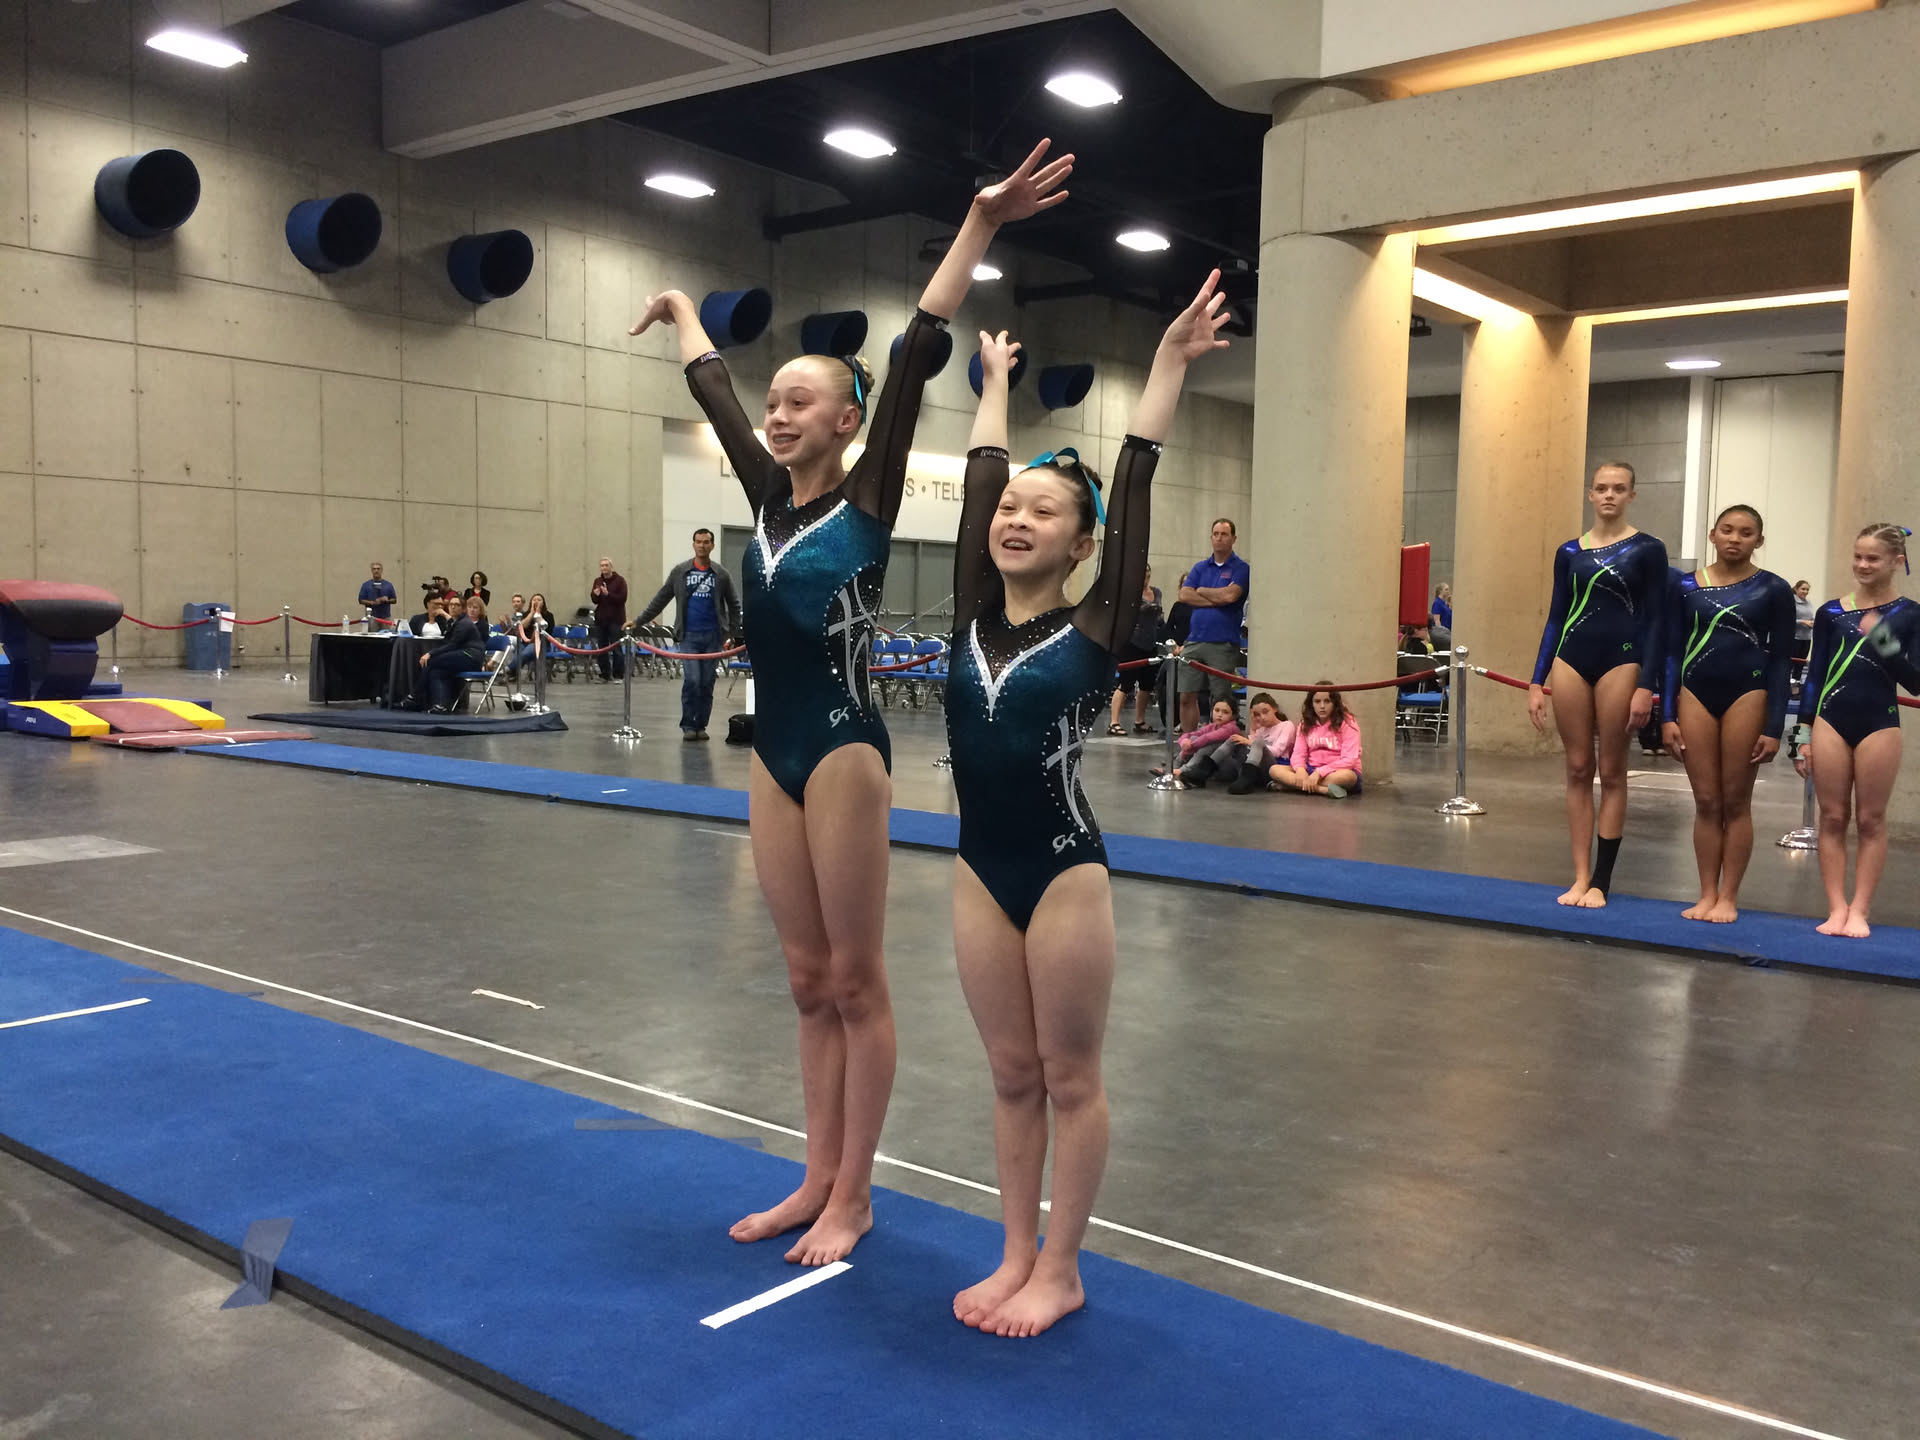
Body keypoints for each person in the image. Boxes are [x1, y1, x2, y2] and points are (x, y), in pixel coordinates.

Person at [629, 137, 1072, 1267]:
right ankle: (815, 1175)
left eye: (800, 401)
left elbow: (919, 346)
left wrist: (980, 221)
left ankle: (856, 1195)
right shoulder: (764, 501)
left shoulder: (868, 502)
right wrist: (682, 313)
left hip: (841, 750)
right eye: (774, 401)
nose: (777, 416)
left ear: (846, 423)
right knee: (805, 979)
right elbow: (710, 385)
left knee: (858, 979)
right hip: (771, 751)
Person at [944, 272, 1227, 1338]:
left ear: (1082, 544)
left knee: (1069, 1076)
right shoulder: (971, 611)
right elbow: (980, 475)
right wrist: (993, 385)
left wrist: (1166, 364)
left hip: (1063, 871)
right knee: (1010, 1074)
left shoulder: (1098, 626)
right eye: (1010, 510)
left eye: (1043, 511)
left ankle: (1061, 1268)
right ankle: (1015, 1253)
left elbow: (1136, 476)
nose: (1015, 519)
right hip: (978, 871)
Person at [1526, 461, 1667, 908]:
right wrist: (1536, 680)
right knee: (1576, 767)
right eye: (1602, 488)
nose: (1609, 495)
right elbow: (1556, 617)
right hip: (1571, 658)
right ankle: (1580, 875)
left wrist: (1646, 684)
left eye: (1618, 488)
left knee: (1612, 770)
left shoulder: (1648, 549)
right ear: (1590, 494)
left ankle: (1601, 880)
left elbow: (1656, 621)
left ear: (1631, 495)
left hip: (1621, 661)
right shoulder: (1569, 552)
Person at [1659, 506, 1797, 924]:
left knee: (1736, 801)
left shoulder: (1774, 589)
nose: (1735, 538)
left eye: (1746, 532)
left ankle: (1729, 896)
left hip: (1747, 694)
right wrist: (1667, 715)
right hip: (1696, 694)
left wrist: (1774, 726)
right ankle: (1706, 893)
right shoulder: (1685, 587)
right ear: (1712, 534)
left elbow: (1780, 661)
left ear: (1759, 540)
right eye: (1728, 530)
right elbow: (1672, 652)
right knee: (1705, 800)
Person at [1795, 523, 1920, 939]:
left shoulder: (1911, 614)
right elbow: (1814, 676)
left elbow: (1915, 681)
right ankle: (1836, 906)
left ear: (1896, 562)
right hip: (1831, 719)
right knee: (1832, 816)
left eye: (1873, 558)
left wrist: (1882, 639)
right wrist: (1801, 735)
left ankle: (1860, 908)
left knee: (1870, 819)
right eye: (1858, 557)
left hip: (1879, 721)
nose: (1863, 565)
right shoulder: (1831, 613)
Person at [634, 528, 744, 741]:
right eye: (698, 542)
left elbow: (734, 604)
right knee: (693, 680)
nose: (702, 545)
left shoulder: (721, 574)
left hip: (713, 636)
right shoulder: (680, 572)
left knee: (707, 682)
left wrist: (732, 632)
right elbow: (661, 598)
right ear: (693, 544)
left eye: (706, 542)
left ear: (712, 545)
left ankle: (701, 725)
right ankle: (688, 724)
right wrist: (639, 621)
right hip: (689, 636)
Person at [1176, 519, 1249, 733]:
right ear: (1211, 538)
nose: (1219, 538)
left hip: (1222, 642)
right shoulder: (1200, 567)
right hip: (1195, 639)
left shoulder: (1241, 568)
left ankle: (1218, 742)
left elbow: (1230, 596)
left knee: (1221, 699)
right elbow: (1184, 595)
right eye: (1215, 534)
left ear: (1233, 539)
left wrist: (1201, 591)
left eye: (1224, 534)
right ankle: (1188, 741)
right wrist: (1217, 599)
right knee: (1186, 695)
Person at [1178, 692, 1294, 793]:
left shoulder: (1286, 725)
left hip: (1273, 768)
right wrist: (1253, 729)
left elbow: (1277, 751)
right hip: (1254, 768)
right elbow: (1251, 751)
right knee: (1234, 739)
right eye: (1257, 714)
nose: (1262, 717)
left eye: (1265, 712)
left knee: (1257, 743)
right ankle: (1203, 771)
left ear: (1274, 709)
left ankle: (1247, 779)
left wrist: (1249, 741)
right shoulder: (1261, 728)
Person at [1270, 684, 1362, 797]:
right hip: (1312, 769)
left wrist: (1320, 772)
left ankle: (1297, 786)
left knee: (1348, 777)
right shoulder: (1305, 724)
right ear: (1311, 704)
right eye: (1317, 701)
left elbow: (1349, 760)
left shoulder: (1347, 722)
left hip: (1338, 771)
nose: (1322, 706)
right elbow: (1298, 754)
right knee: (1274, 770)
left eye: (1327, 701)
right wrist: (1300, 769)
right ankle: (1322, 790)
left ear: (1335, 703)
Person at [1107, 566, 1163, 735]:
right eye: (1142, 572)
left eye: (1147, 572)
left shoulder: (1156, 592)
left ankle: (1140, 720)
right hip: (1132, 643)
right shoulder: (1129, 593)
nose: (1145, 575)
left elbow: (1159, 616)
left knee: (1146, 685)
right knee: (1126, 683)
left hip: (1150, 642)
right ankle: (1114, 722)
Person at [409, 594, 488, 712]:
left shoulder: (464, 624)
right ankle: (441, 705)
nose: (453, 607)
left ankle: (414, 697)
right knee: (437, 672)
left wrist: (430, 653)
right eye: (451, 604)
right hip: (464, 655)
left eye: (457, 605)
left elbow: (452, 645)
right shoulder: (457, 622)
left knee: (431, 661)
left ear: (463, 609)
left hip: (471, 657)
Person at [1152, 698, 1238, 786]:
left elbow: (1208, 738)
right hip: (1213, 769)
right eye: (1217, 710)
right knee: (1193, 738)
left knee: (1211, 744)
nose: (1219, 715)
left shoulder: (1231, 728)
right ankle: (1174, 768)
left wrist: (1191, 745)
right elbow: (1189, 735)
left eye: (1225, 712)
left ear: (1233, 716)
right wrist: (1185, 742)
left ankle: (1182, 770)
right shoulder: (1212, 726)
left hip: (1230, 769)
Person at [589, 557, 627, 681]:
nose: (604, 568)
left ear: (611, 567)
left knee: (616, 647)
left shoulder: (620, 581)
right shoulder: (598, 581)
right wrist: (596, 595)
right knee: (602, 647)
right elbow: (595, 600)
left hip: (616, 619)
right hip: (601, 619)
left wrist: (608, 594)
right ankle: (605, 674)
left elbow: (622, 599)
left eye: (606, 565)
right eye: (602, 565)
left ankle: (618, 674)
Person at [508, 593, 557, 679]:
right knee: (518, 652)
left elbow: (548, 629)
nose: (536, 601)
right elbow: (522, 626)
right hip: (526, 641)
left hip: (541, 643)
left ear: (543, 602)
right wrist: (531, 614)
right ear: (531, 602)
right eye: (534, 600)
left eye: (539, 600)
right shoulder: (526, 614)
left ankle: (509, 670)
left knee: (525, 653)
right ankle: (513, 673)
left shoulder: (549, 615)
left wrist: (538, 614)